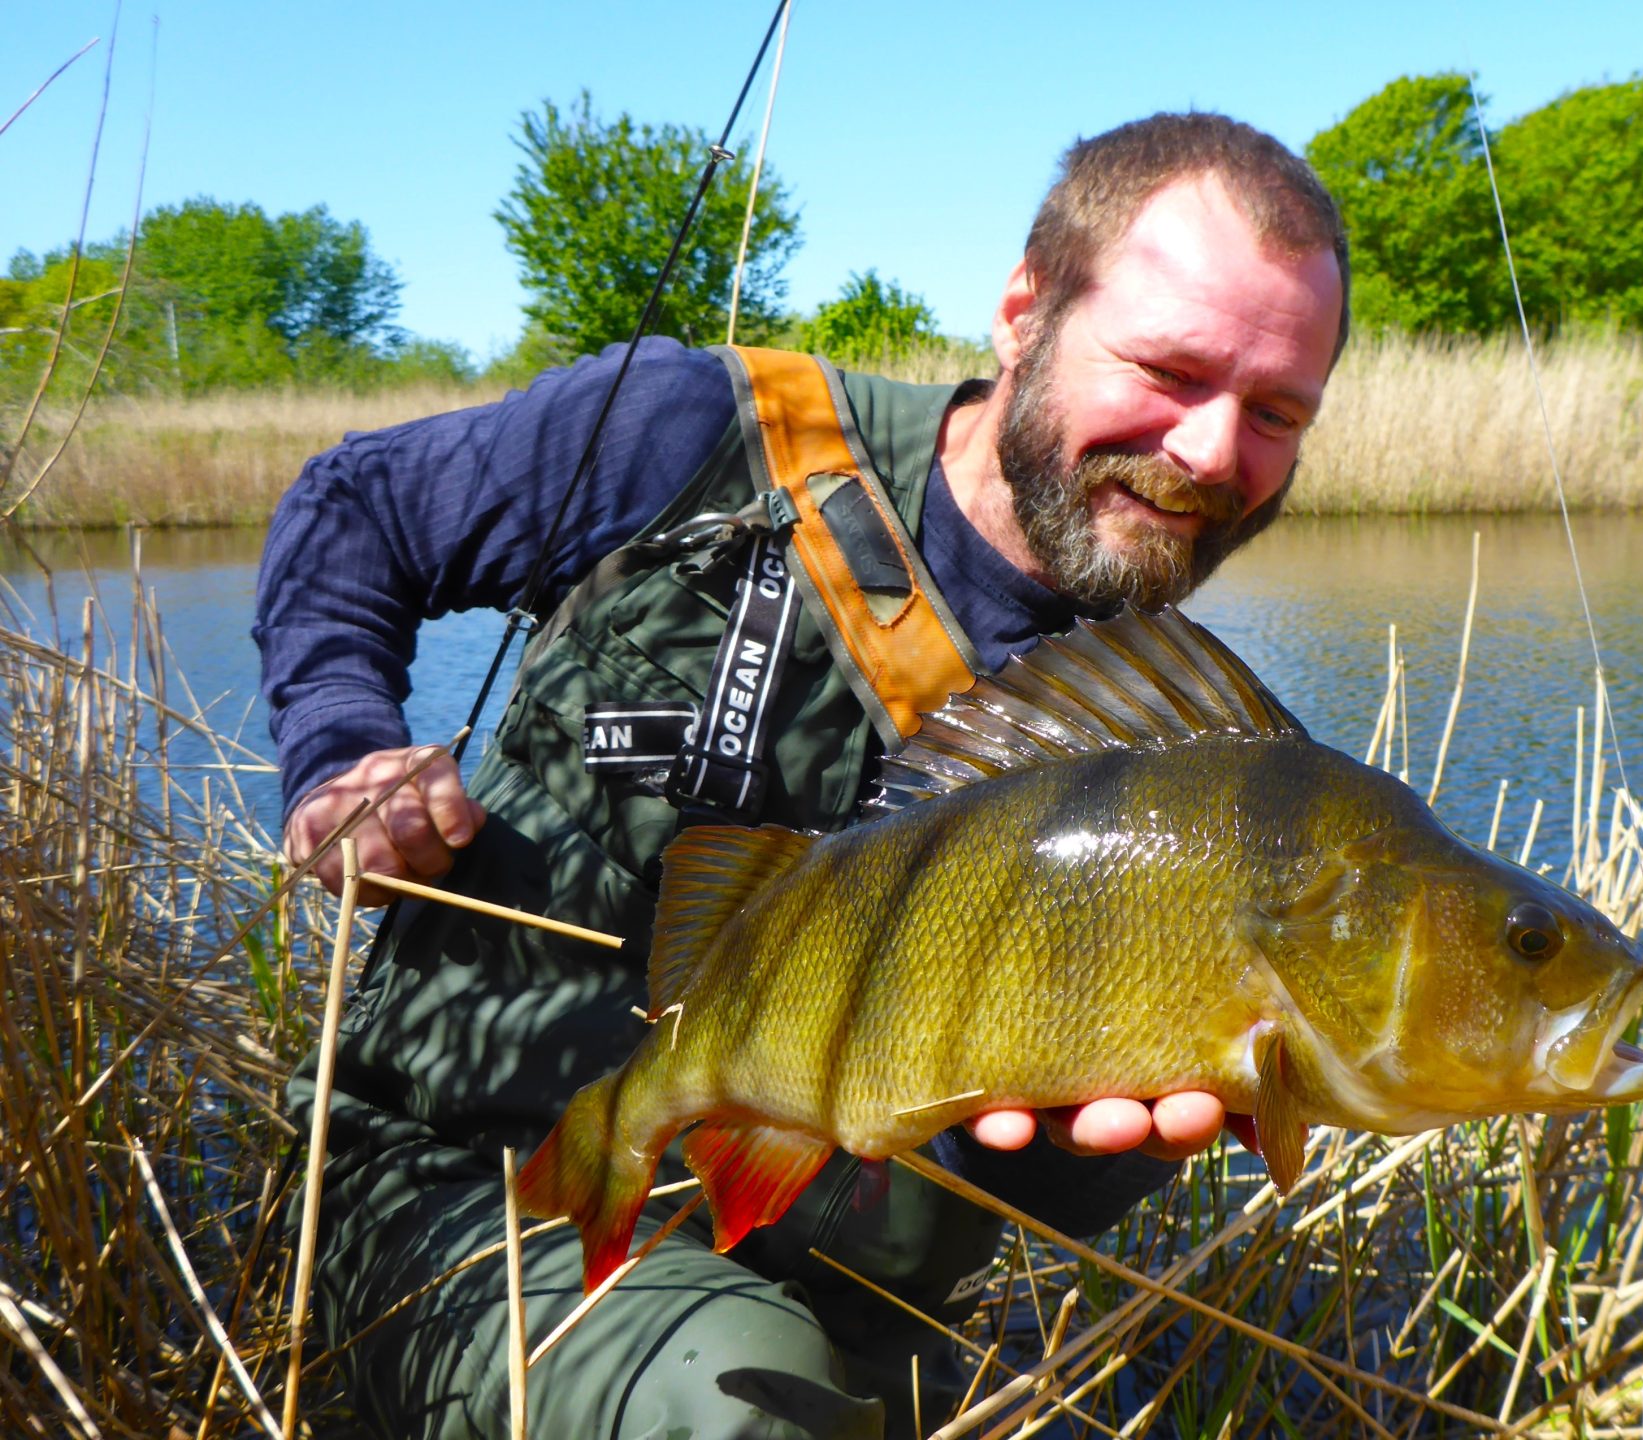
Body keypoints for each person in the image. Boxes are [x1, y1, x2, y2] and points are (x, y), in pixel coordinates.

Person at [263, 111, 1348, 1439]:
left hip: (835, 1313)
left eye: (1278, 411)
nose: (1212, 453)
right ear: (1025, 312)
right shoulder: (697, 438)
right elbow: (353, 509)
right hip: (476, 1196)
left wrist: (1084, 1146)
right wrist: (338, 749)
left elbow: (989, 1163)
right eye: (1171, 370)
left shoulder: (1194, 762)